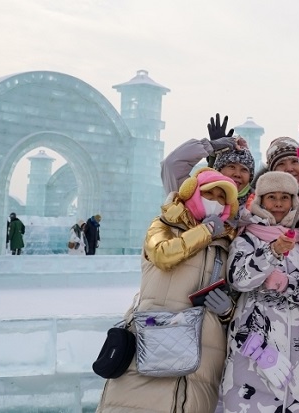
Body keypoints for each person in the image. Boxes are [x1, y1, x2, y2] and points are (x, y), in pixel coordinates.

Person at [97, 168, 240, 413]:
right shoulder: (163, 224)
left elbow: (236, 292)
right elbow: (162, 254)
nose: (214, 202)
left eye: (220, 198)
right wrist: (204, 232)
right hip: (151, 341)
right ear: (192, 193)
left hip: (202, 357)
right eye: (209, 194)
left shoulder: (227, 244)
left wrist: (228, 310)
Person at [221, 171, 299, 412]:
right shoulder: (247, 238)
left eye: (285, 197)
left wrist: (285, 283)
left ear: (294, 201)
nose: (279, 203)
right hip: (254, 354)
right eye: (272, 197)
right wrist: (272, 252)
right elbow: (238, 278)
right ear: (261, 200)